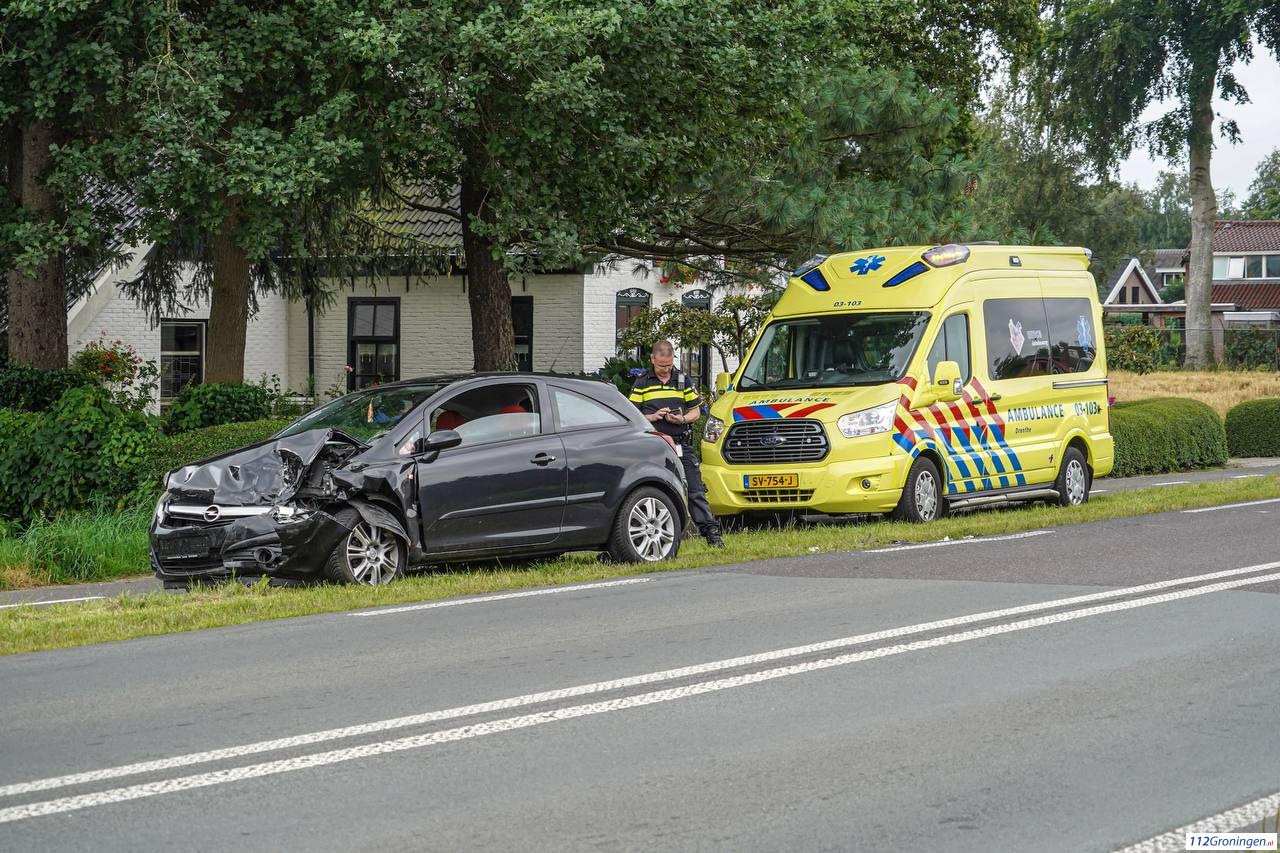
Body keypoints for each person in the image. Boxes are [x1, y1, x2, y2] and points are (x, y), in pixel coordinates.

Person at [628, 340, 725, 547]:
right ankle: (650, 534)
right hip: (653, 446)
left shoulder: (682, 379)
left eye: (669, 365)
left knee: (695, 489)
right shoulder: (642, 382)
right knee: (652, 488)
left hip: (681, 443)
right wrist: (654, 417)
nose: (665, 370)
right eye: (661, 366)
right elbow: (632, 415)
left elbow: (696, 411)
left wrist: (682, 419)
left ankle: (711, 533)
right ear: (652, 359)